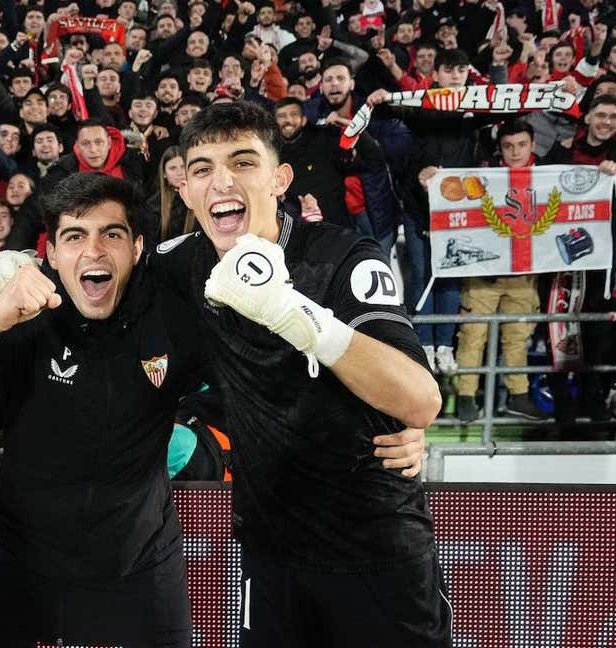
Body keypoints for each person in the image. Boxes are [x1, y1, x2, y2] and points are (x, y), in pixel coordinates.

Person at [158, 102, 449, 645]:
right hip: (269, 559)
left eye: (242, 162)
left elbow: (419, 402)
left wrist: (296, 314)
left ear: (279, 179)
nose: (220, 180)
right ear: (185, 190)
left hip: (376, 548)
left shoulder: (344, 257)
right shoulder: (180, 265)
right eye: (202, 169)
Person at [0, 173, 199, 647]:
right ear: (50, 253)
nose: (94, 251)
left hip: (140, 564)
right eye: (74, 236)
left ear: (138, 247)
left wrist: (200, 437)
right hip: (20, 563)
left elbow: (243, 387)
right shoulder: (24, 315)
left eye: (112, 234)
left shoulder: (172, 314)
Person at [455, 120, 547, 422]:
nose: (515, 152)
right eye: (508, 146)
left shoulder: (549, 176)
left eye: (521, 145)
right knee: (472, 335)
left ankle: (518, 397)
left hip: (524, 275)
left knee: (518, 337)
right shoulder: (482, 176)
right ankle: (466, 396)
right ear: (500, 148)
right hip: (483, 274)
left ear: (532, 145)